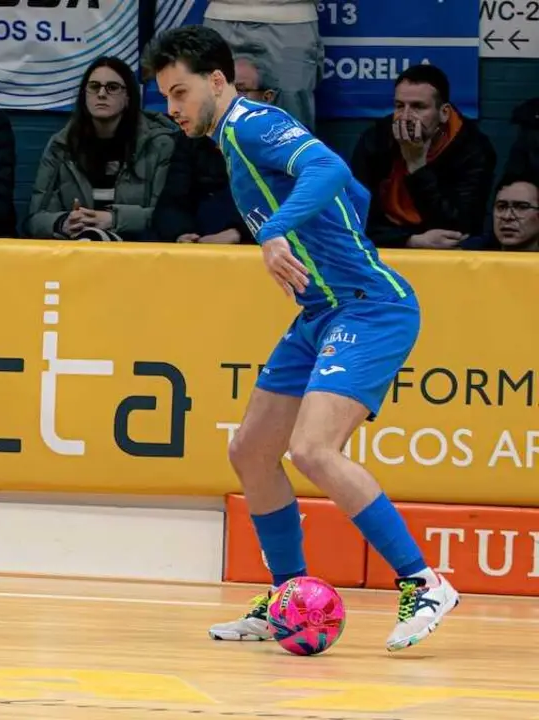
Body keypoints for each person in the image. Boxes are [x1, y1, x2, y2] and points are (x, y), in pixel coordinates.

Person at [143, 25, 459, 652]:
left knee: (314, 450)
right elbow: (356, 194)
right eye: (166, 98)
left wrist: (277, 231)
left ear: (216, 80)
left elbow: (330, 166)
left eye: (180, 93)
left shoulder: (250, 124)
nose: (173, 110)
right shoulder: (231, 145)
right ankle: (288, 597)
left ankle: (424, 582)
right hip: (319, 313)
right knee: (252, 451)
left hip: (368, 308)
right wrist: (326, 236)